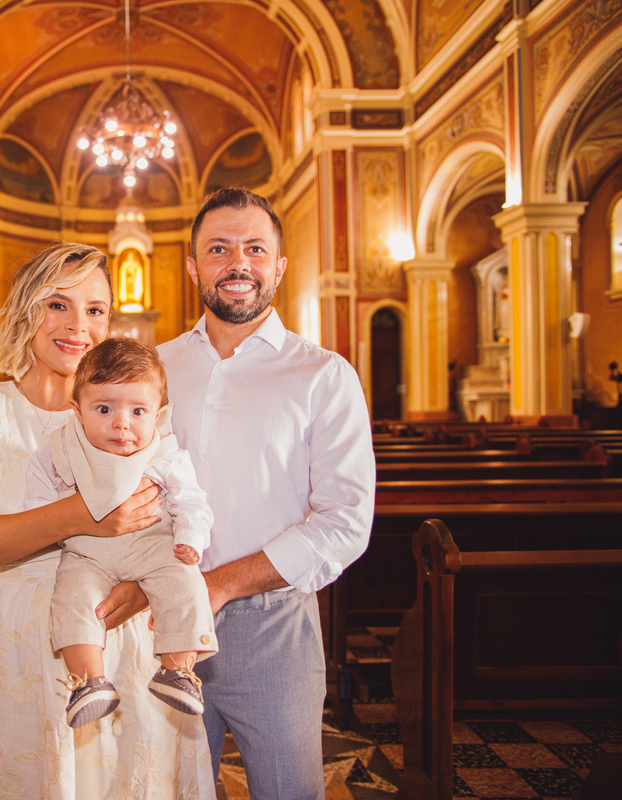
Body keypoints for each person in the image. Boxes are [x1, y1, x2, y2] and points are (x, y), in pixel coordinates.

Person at [0, 242, 216, 800]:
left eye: (95, 309)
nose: (77, 325)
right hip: (14, 651)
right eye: (57, 304)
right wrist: (81, 517)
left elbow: (169, 521)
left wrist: (145, 583)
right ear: (25, 310)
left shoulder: (136, 415)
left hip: (122, 645)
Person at [156, 188, 375, 799]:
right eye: (219, 249)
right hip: (161, 620)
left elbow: (345, 521)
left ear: (279, 265)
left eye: (255, 248)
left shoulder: (323, 374)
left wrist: (224, 582)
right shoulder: (154, 367)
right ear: (193, 266)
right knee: (169, 790)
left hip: (273, 624)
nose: (238, 263)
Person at [26, 337, 217, 728]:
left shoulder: (165, 453)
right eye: (104, 408)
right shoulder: (61, 447)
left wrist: (190, 539)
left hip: (152, 546)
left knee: (185, 582)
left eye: (137, 410)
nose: (121, 423)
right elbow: (39, 503)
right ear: (77, 411)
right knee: (73, 598)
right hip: (86, 552)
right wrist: (48, 524)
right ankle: (88, 681)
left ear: (159, 414)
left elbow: (191, 502)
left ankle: (177, 669)